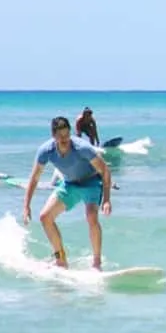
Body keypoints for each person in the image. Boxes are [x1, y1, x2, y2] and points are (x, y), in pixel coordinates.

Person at [23, 116, 111, 270]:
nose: (64, 139)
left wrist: (107, 199)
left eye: (67, 135)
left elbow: (104, 170)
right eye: (60, 136)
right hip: (69, 184)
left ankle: (97, 263)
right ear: (53, 136)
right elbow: (35, 178)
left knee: (91, 216)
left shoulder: (82, 148)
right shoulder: (46, 151)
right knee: (45, 217)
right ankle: (61, 259)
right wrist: (27, 205)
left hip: (91, 182)